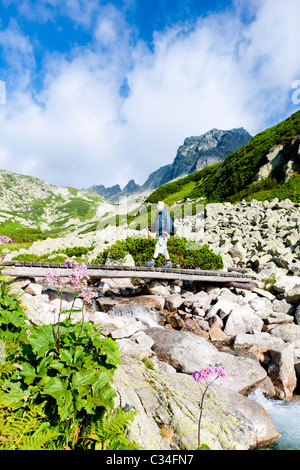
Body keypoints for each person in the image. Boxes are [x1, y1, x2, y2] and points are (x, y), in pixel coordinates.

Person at [145, 201, 172, 268]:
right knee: (163, 247)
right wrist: (150, 228)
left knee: (158, 245)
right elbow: (157, 225)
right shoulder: (160, 214)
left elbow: (169, 222)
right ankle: (168, 263)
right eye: (157, 205)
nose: (157, 206)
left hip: (164, 233)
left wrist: (167, 231)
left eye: (158, 205)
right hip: (161, 233)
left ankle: (152, 261)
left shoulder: (165, 213)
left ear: (162, 206)